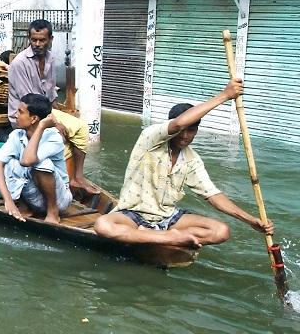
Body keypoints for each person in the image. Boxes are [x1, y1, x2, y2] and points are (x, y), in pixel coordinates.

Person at [93, 78, 274, 248]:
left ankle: (153, 235)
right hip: (133, 215)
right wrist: (224, 96)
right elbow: (179, 124)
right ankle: (167, 237)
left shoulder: (191, 159)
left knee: (221, 231)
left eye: (192, 131)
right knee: (103, 225)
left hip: (167, 217)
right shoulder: (151, 138)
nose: (185, 136)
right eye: (183, 130)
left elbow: (213, 195)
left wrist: (251, 220)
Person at [6, 19, 96, 194]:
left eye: (42, 40)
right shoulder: (19, 63)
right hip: (25, 114)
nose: (37, 44)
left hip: (44, 110)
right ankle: (64, 180)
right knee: (64, 132)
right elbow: (31, 102)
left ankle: (77, 177)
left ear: (51, 39)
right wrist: (56, 123)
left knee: (81, 128)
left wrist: (61, 114)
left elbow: (51, 93)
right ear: (29, 39)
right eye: (34, 40)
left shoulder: (50, 59)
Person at [0, 93, 72, 224]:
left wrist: (41, 127)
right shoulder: (16, 135)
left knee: (41, 163)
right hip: (33, 198)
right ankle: (25, 206)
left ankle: (53, 213)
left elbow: (27, 160)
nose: (15, 115)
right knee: (7, 163)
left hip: (59, 200)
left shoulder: (53, 137)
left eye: (20, 112)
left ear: (34, 119)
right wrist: (9, 202)